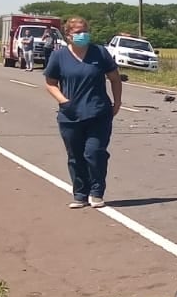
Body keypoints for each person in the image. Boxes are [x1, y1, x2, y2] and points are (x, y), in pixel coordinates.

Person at [43, 17, 123, 208]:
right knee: (76, 156)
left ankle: (96, 192)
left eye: (84, 30)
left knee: (95, 153)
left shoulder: (100, 53)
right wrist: (64, 101)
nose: (82, 35)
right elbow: (50, 83)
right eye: (78, 32)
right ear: (68, 35)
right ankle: (80, 194)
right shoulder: (59, 56)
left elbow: (115, 78)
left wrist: (117, 102)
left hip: (98, 113)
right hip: (70, 115)